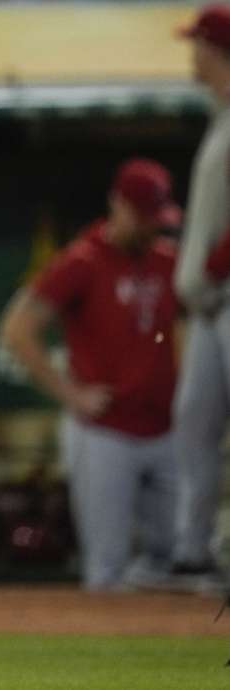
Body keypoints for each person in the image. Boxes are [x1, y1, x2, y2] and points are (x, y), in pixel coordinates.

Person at [1, 159, 182, 591]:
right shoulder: (84, 260)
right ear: (118, 204)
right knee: (107, 570)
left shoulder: (166, 261)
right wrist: (70, 393)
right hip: (104, 430)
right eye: (143, 217)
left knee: (177, 559)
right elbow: (16, 329)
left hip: (166, 428)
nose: (151, 228)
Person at [172, 2, 230, 582]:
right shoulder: (220, 117)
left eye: (199, 45)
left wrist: (213, 265)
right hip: (211, 307)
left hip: (225, 292)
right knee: (195, 424)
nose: (193, 54)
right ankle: (195, 552)